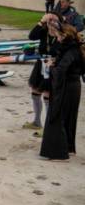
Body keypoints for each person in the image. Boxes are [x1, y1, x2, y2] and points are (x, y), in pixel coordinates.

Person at [39, 24, 84, 160]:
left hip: (66, 87)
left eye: (58, 36)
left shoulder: (70, 51)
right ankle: (69, 148)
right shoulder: (76, 49)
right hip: (74, 86)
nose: (57, 39)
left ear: (65, 36)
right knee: (70, 117)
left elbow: (60, 72)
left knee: (59, 116)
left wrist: (51, 67)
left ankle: (59, 152)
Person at [25, 12, 62, 131]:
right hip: (41, 64)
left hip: (54, 68)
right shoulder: (44, 32)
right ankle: (37, 121)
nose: (51, 22)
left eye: (54, 20)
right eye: (49, 20)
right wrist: (41, 22)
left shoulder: (62, 35)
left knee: (47, 95)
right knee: (35, 92)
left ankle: (48, 127)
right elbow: (31, 36)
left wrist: (56, 61)